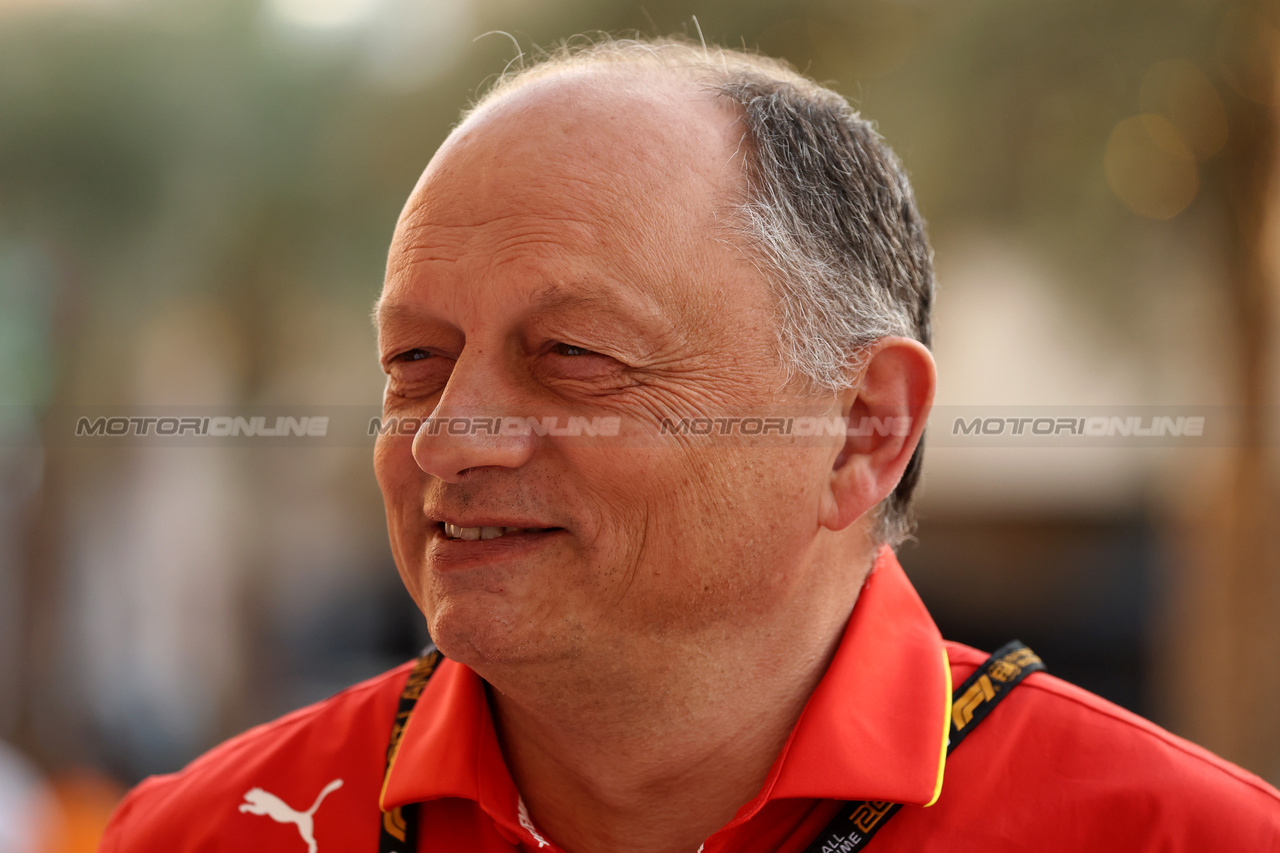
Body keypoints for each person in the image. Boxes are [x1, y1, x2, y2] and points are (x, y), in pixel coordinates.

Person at [100, 38, 1280, 853]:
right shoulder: (203, 831)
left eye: (570, 354)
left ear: (860, 431)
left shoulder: (1176, 836)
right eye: (414, 362)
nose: (448, 436)